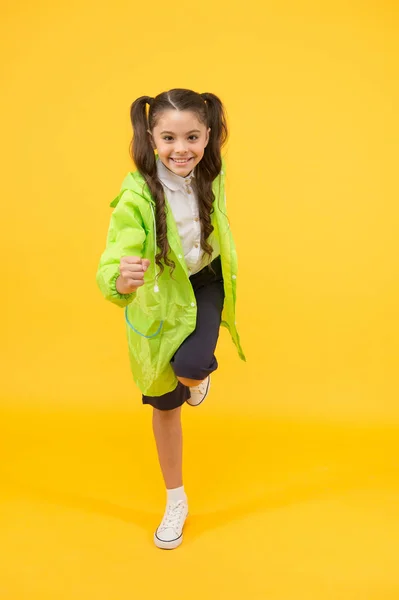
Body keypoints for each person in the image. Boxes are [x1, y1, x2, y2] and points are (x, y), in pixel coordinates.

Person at [96, 88, 245, 550]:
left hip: (206, 284)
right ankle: (176, 499)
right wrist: (121, 279)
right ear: (151, 138)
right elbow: (112, 261)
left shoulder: (211, 174)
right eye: (169, 138)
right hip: (160, 303)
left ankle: (198, 376)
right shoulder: (136, 194)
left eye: (193, 137)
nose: (182, 149)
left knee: (191, 369)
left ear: (208, 138)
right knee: (166, 402)